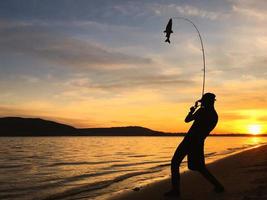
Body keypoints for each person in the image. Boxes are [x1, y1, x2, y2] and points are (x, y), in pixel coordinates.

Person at [165, 92, 224, 197]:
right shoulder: (214, 116)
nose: (203, 103)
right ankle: (218, 186)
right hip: (199, 142)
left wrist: (192, 110)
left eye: (204, 101)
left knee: (175, 162)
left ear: (207, 102)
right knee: (199, 167)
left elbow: (187, 120)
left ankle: (175, 191)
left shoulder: (202, 111)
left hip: (189, 141)